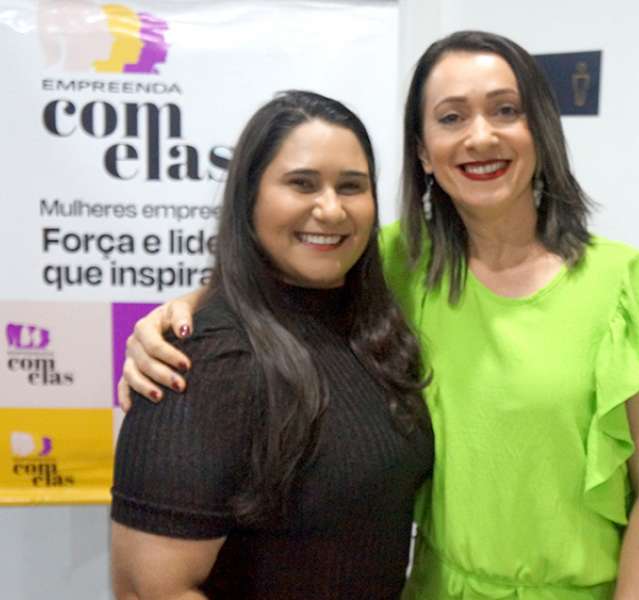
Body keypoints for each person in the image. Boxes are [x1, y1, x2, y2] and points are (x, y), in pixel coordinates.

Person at [120, 31, 639, 600]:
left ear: (540, 130)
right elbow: (279, 274)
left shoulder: (622, 286)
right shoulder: (397, 263)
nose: (480, 137)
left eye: (505, 110)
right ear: (422, 151)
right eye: (451, 117)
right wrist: (182, 313)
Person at [110, 90, 433, 600]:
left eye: (351, 186)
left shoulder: (372, 333)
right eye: (302, 183)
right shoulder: (205, 360)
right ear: (249, 198)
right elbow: (150, 589)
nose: (331, 209)